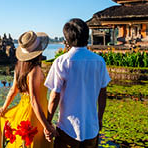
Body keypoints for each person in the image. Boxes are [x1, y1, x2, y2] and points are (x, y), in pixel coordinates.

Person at [44, 18, 111, 148]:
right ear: (87, 36)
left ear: (67, 40)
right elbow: (103, 94)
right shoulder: (99, 61)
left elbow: (54, 97)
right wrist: (99, 119)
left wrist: (48, 122)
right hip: (91, 128)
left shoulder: (61, 62)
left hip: (67, 128)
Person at [0, 31, 55, 148]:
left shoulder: (19, 68)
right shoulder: (35, 70)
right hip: (34, 115)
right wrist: (46, 125)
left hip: (23, 111)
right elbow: (34, 101)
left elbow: (12, 91)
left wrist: (4, 108)